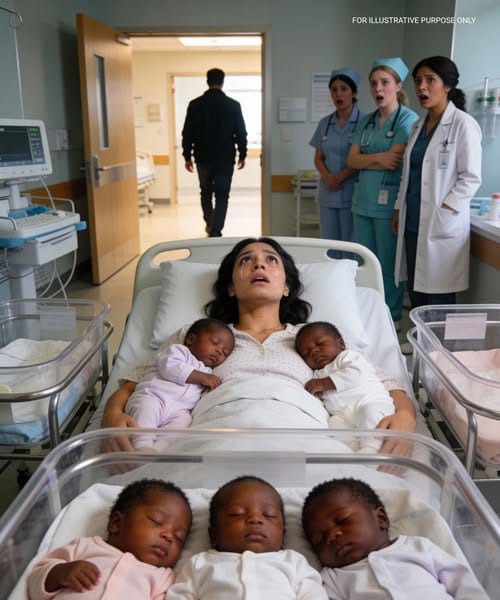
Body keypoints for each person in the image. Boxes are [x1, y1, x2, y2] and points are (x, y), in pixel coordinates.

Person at [101, 238, 417, 455]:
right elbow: (138, 379)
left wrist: (405, 415)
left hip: (301, 433)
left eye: (270, 260)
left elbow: (380, 380)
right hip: (218, 432)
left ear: (286, 286)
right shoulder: (199, 335)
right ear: (230, 287)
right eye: (246, 260)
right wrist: (112, 414)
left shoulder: (316, 338)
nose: (258, 266)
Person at [393, 56, 482, 312]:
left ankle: (437, 339)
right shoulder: (418, 126)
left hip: (440, 222)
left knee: (439, 295)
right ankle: (419, 333)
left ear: (447, 86)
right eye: (418, 80)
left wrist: (446, 209)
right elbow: (408, 174)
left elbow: (471, 177)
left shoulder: (463, 124)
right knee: (416, 288)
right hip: (412, 222)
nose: (422, 87)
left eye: (430, 80)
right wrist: (399, 208)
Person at [301, 477, 489, 599]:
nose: (331, 536)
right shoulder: (332, 578)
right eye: (319, 539)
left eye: (343, 520)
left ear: (381, 519)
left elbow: (462, 582)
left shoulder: (417, 547)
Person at [27, 478, 193, 599]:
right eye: (156, 521)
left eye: (178, 537)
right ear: (116, 523)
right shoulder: (85, 547)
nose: (168, 536)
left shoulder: (163, 579)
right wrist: (61, 573)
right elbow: (35, 581)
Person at [167, 475, 328, 599]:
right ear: (213, 535)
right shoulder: (200, 564)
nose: (255, 519)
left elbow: (313, 595)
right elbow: (180, 596)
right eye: (237, 513)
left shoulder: (293, 562)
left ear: (283, 536)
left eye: (269, 515)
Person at [348, 57, 418, 329]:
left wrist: (366, 159)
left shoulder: (408, 120)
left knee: (388, 266)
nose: (378, 89)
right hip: (363, 202)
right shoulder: (367, 122)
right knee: (364, 263)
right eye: (374, 83)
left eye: (385, 82)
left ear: (398, 86)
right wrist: (379, 157)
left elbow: (395, 160)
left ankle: (390, 319)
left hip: (389, 206)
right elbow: (351, 160)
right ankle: (368, 315)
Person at [125, 318, 234, 442]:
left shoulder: (208, 371)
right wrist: (203, 377)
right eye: (214, 343)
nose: (219, 351)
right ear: (191, 339)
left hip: (178, 411)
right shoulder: (179, 351)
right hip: (153, 397)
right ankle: (142, 444)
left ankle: (159, 448)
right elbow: (169, 367)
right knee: (146, 410)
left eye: (225, 353)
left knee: (184, 421)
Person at [295, 321, 394, 452]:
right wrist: (317, 393)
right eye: (306, 352)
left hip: (371, 402)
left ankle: (371, 449)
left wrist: (323, 384)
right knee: (333, 425)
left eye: (320, 343)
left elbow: (356, 374)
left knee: (370, 413)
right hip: (342, 415)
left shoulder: (348, 356)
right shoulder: (317, 374)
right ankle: (352, 451)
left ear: (340, 343)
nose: (314, 351)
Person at [181, 67, 248, 237]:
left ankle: (210, 224)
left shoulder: (195, 105)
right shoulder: (233, 105)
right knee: (222, 195)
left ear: (207, 81)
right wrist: (242, 154)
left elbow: (187, 133)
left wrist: (187, 156)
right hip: (225, 158)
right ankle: (216, 229)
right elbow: (241, 132)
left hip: (202, 157)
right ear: (222, 82)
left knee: (205, 192)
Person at [309, 68, 364, 255]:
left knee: (351, 247)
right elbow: (318, 158)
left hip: (352, 193)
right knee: (330, 246)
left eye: (344, 89)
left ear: (353, 92)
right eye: (334, 90)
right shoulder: (324, 123)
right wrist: (329, 178)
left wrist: (339, 178)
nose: (338, 94)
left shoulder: (365, 122)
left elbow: (361, 157)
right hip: (328, 194)